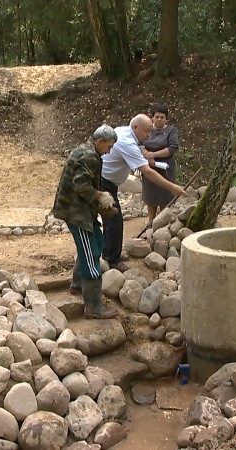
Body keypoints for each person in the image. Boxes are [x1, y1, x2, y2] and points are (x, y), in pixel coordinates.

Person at [101, 114, 187, 272]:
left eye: (150, 131)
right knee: (114, 220)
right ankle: (112, 259)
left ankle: (109, 252)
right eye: (146, 131)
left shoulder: (124, 132)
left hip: (108, 180)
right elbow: (147, 171)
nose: (149, 135)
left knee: (110, 218)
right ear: (135, 127)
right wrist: (172, 187)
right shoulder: (127, 142)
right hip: (104, 180)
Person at [53, 125, 120, 319]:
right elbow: (80, 184)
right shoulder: (90, 156)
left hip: (80, 209)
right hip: (76, 213)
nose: (109, 151)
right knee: (90, 253)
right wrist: (100, 196)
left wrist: (99, 205)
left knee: (97, 241)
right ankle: (93, 307)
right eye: (109, 146)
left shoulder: (87, 150)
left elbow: (85, 184)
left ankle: (78, 285)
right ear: (100, 141)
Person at [141, 103, 180, 224]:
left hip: (165, 166)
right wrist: (146, 154)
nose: (159, 119)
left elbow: (172, 147)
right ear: (152, 117)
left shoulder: (171, 131)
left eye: (162, 117)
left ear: (166, 118)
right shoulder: (147, 129)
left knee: (165, 193)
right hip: (148, 166)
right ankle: (151, 221)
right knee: (150, 194)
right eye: (157, 117)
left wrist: (154, 155)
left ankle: (163, 221)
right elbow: (139, 143)